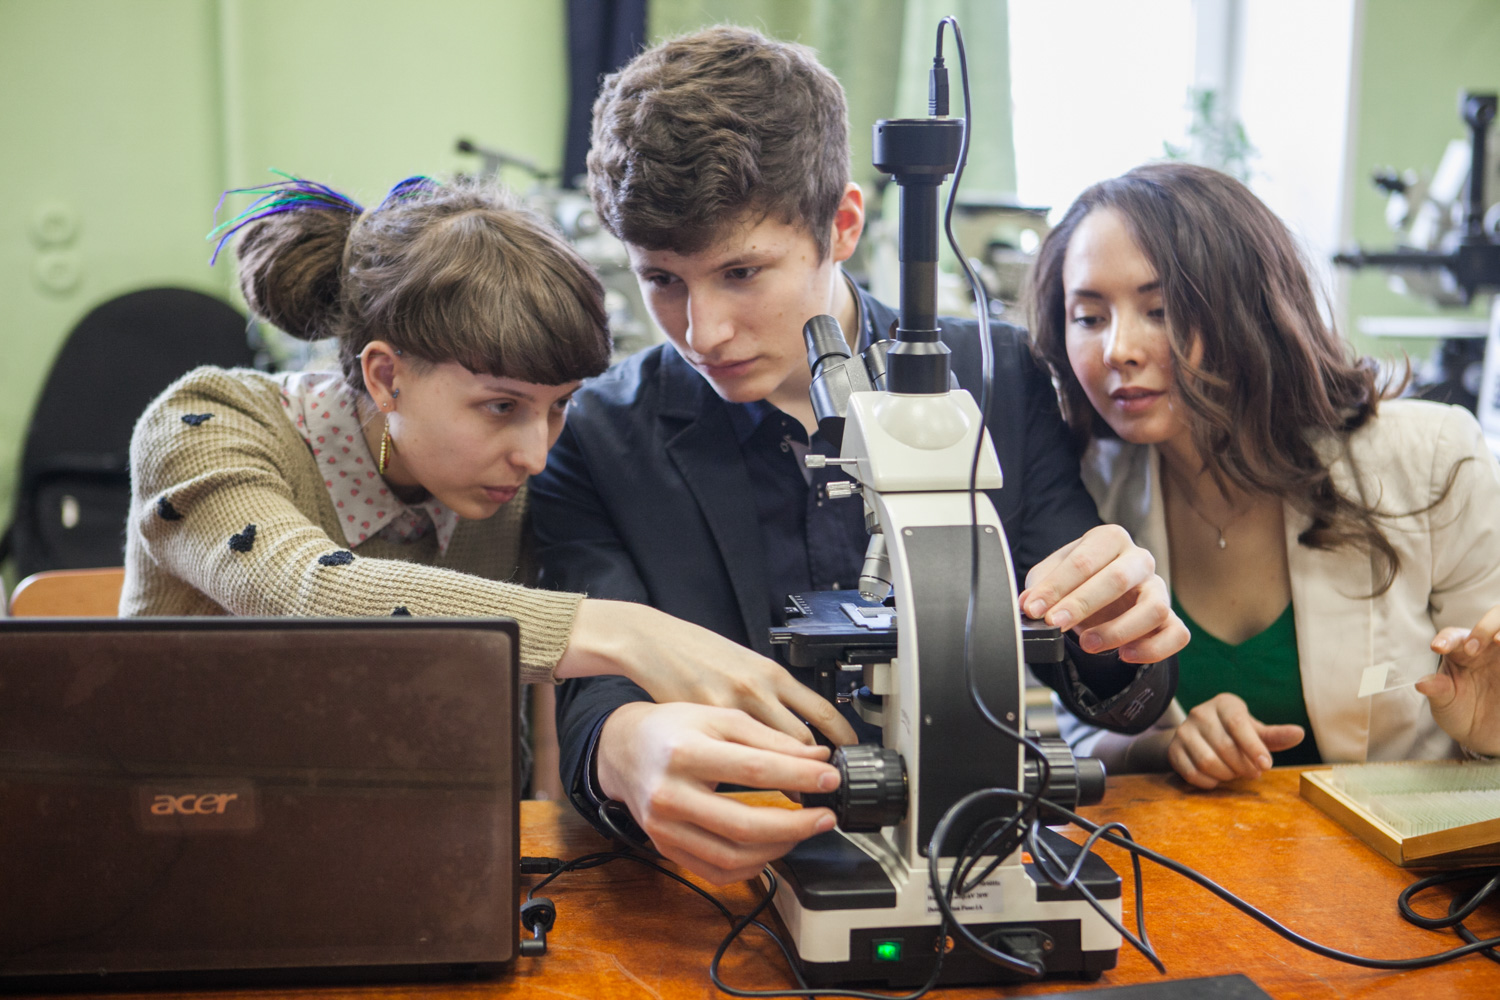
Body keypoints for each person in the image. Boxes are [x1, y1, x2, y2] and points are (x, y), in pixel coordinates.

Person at [529, 26, 1188, 886]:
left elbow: (1103, 679)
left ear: (842, 225)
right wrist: (625, 746)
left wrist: (1125, 630)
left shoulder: (996, 377)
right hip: (719, 877)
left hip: (965, 854)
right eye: (662, 279)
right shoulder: (597, 433)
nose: (703, 332)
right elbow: (594, 695)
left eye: (740, 273)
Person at [122, 173, 855, 790]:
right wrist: (619, 629)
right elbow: (301, 590)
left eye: (558, 407)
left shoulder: (510, 492)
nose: (535, 455)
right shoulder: (207, 424)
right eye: (501, 407)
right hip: (184, 858)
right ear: (386, 376)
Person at [1027, 161, 1500, 789]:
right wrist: (1164, 746)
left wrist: (1487, 737)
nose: (1118, 350)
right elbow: (1082, 725)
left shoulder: (1434, 458)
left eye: (1160, 310)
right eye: (1089, 318)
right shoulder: (1080, 490)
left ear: (1249, 311)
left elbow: (1486, 702)